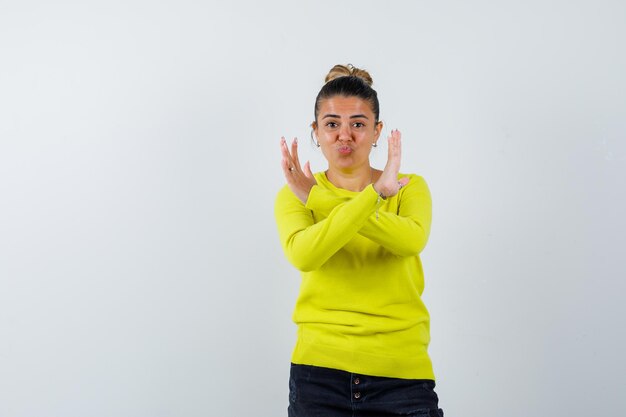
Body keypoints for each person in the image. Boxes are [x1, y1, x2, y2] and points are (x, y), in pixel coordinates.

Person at [275, 64, 443, 417]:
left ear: (377, 130)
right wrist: (372, 197)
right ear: (316, 132)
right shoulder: (295, 195)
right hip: (318, 376)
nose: (345, 135)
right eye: (332, 124)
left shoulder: (409, 187)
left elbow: (410, 241)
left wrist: (323, 200)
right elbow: (305, 254)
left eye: (358, 124)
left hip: (401, 377)